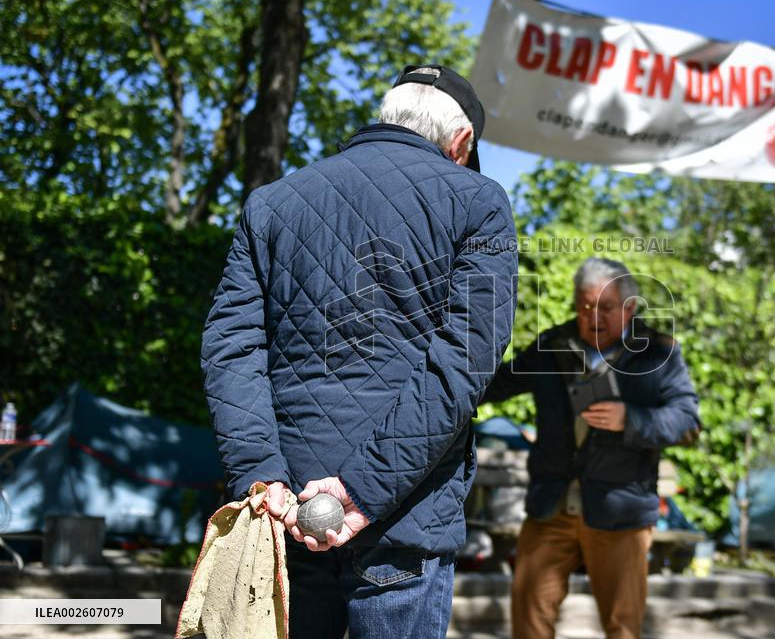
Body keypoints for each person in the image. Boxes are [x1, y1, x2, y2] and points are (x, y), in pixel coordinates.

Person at [201, 64, 517, 638]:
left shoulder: (271, 203)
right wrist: (362, 492)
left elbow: (231, 348)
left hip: (287, 513)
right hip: (405, 519)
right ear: (462, 142)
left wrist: (262, 477)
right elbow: (464, 362)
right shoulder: (479, 202)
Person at [481, 257, 700, 639]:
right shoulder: (552, 344)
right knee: (528, 619)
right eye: (584, 307)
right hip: (551, 505)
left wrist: (631, 419)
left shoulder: (658, 353)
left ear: (630, 308)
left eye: (605, 307)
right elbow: (496, 385)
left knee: (623, 627)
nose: (593, 317)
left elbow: (687, 423)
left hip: (621, 511)